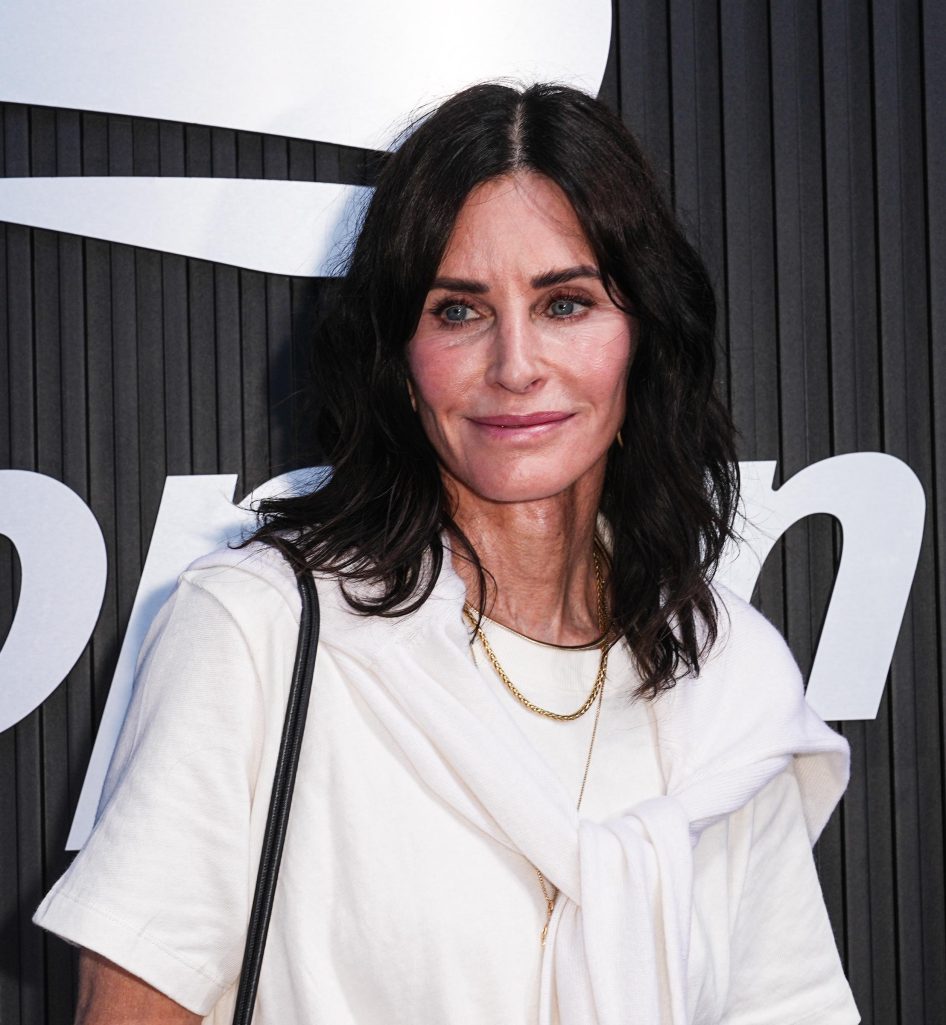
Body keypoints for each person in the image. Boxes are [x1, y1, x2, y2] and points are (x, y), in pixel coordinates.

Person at [35, 81, 860, 1025]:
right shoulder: (263, 630)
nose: (515, 365)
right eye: (459, 311)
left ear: (644, 336)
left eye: (566, 302)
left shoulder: (729, 680)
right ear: (400, 358)